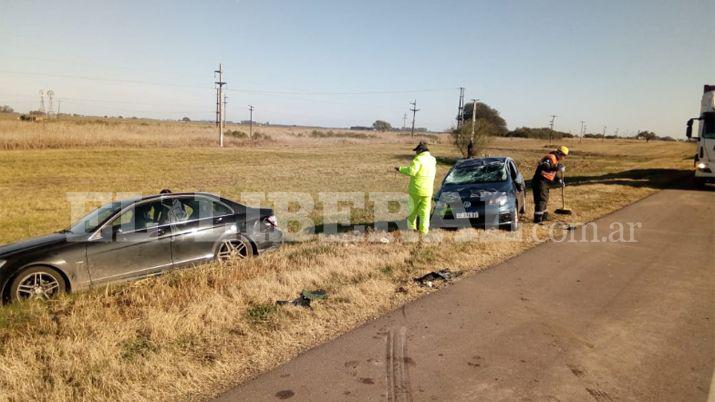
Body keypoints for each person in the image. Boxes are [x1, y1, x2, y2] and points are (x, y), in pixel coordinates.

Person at [395, 142, 437, 234]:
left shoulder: (418, 159)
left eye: (416, 151)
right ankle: (423, 232)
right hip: (428, 191)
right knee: (425, 213)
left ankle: (411, 229)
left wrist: (400, 169)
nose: (416, 153)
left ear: (421, 150)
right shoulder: (433, 160)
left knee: (412, 211)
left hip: (416, 190)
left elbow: (412, 171)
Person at [532, 145, 568, 223]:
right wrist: (557, 168)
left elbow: (552, 173)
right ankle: (538, 219)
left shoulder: (555, 160)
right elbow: (545, 167)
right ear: (560, 153)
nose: (564, 158)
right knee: (541, 199)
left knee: (545, 199)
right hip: (540, 181)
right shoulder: (550, 157)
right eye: (564, 155)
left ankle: (544, 216)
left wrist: (559, 180)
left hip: (545, 182)